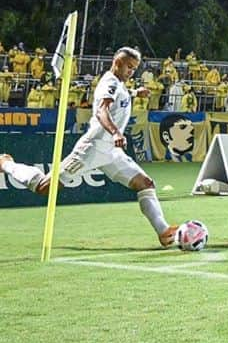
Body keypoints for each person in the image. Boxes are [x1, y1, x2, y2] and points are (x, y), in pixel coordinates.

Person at [0, 47, 179, 245]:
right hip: (93, 148)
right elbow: (102, 111)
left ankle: (164, 231)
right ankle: (7, 164)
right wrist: (116, 132)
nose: (132, 72)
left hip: (111, 152)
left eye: (134, 69)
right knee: (45, 187)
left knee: (145, 184)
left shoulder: (119, 84)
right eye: (129, 67)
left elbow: (121, 95)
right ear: (117, 63)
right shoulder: (109, 82)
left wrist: (137, 92)